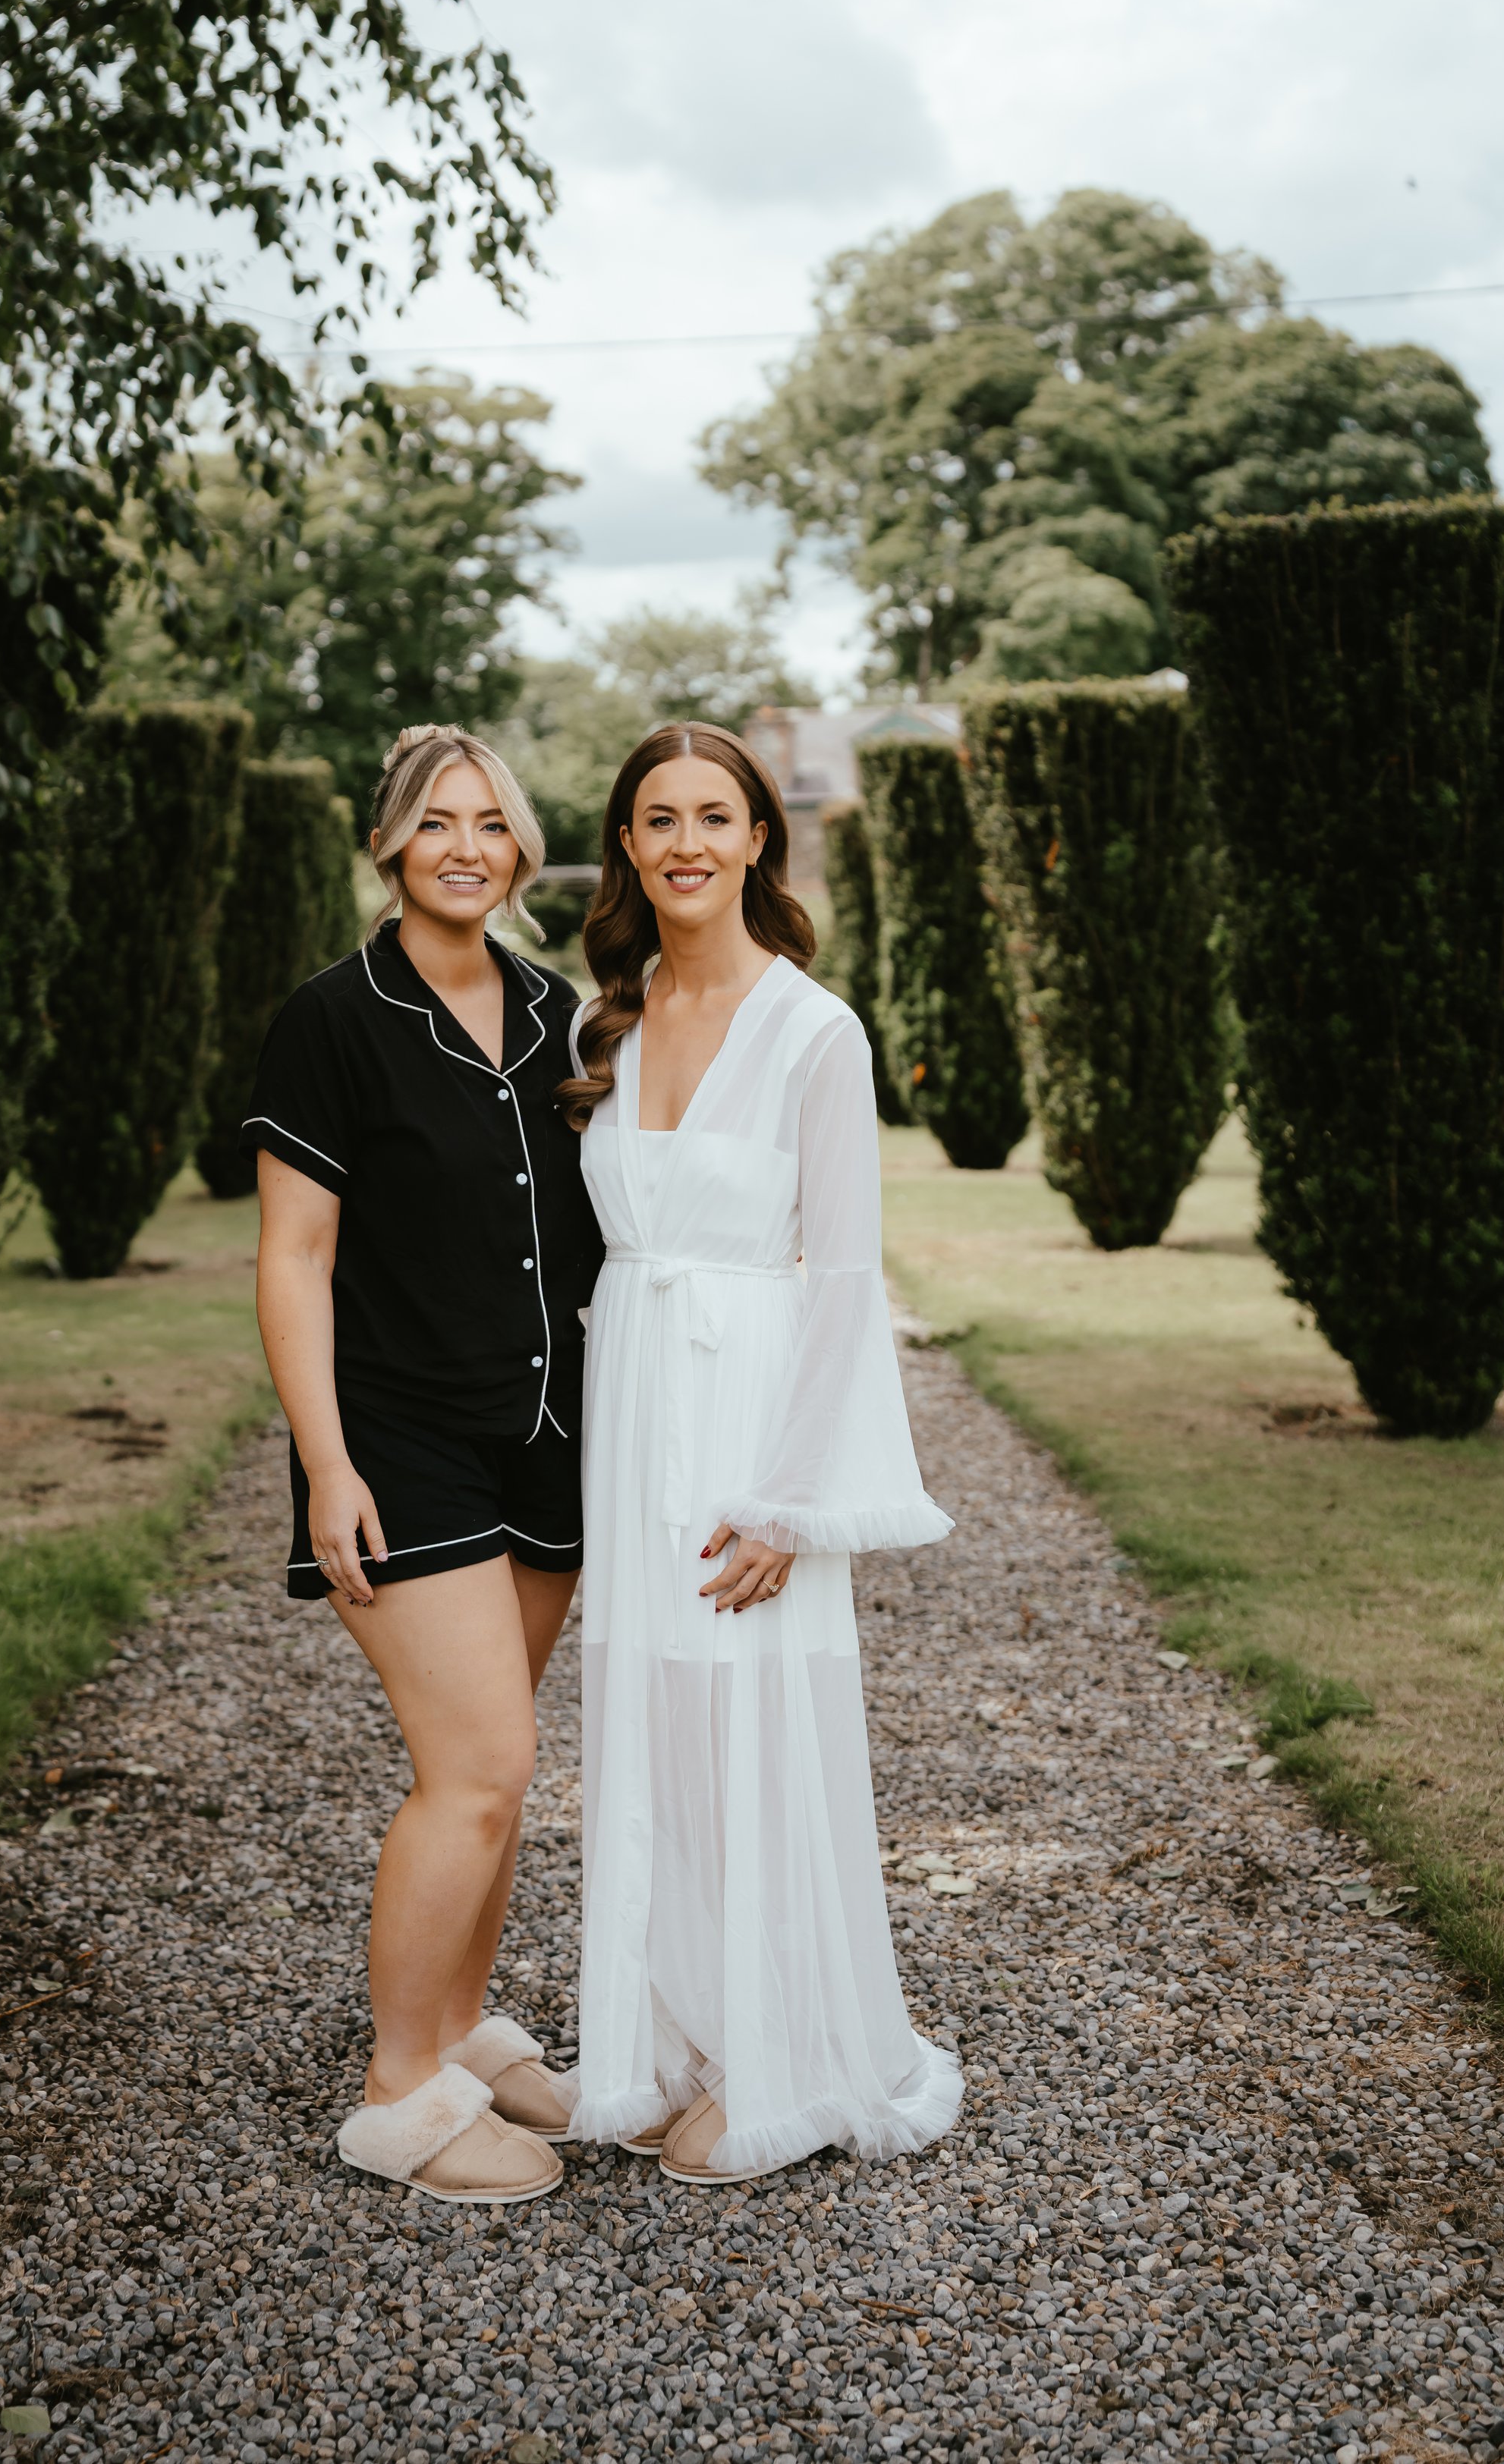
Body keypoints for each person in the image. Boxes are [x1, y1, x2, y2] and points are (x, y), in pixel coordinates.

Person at [562, 721, 964, 2184]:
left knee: (753, 1711)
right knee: (654, 1723)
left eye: (712, 815)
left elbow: (846, 1281)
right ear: (625, 843)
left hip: (754, 1423)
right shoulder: (608, 1017)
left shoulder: (817, 1030)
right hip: (635, 1402)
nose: (683, 840)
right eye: (655, 816)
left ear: (754, 842)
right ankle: (673, 2036)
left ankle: (783, 2054)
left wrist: (795, 1503)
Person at [250, 725, 604, 2205]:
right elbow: (293, 1256)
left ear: (519, 848)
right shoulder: (331, 1020)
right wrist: (327, 1468)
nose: (467, 847)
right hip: (397, 1441)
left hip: (549, 1434)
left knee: (496, 1773)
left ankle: (463, 2029)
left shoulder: (559, 1014)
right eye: (436, 824)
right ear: (391, 846)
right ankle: (401, 2096)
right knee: (479, 1766)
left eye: (492, 825)